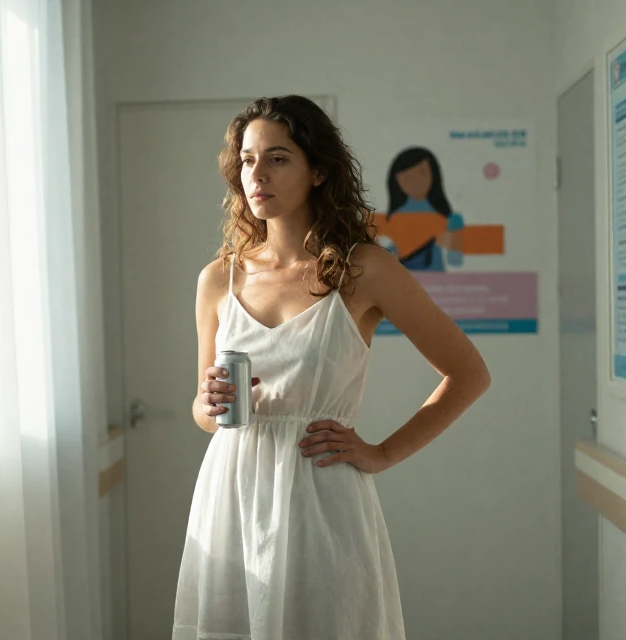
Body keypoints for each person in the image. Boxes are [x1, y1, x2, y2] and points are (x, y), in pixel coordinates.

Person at [173, 95, 492, 640]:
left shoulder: (363, 268)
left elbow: (469, 373)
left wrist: (382, 453)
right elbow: (205, 411)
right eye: (247, 159)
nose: (257, 174)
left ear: (318, 170)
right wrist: (208, 404)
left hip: (320, 498)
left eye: (277, 158)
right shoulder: (216, 279)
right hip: (231, 497)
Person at [384, 148, 464, 271]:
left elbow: (455, 261)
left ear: (434, 174)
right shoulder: (397, 216)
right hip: (403, 281)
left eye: (422, 173)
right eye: (406, 178)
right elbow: (395, 250)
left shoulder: (447, 218)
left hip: (436, 281)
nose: (415, 182)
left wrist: (453, 239)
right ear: (397, 181)